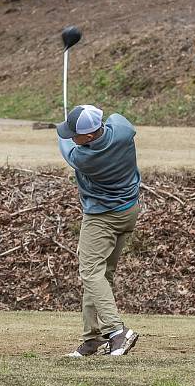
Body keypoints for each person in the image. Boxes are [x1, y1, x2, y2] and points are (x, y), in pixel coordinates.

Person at [56, 105, 141, 357]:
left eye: (76, 133)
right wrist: (81, 118)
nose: (71, 136)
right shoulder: (124, 131)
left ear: (90, 137)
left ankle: (116, 332)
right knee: (102, 275)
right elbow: (114, 118)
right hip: (129, 210)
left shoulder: (84, 158)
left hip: (102, 216)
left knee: (90, 272)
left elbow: (66, 147)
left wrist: (62, 134)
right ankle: (91, 340)